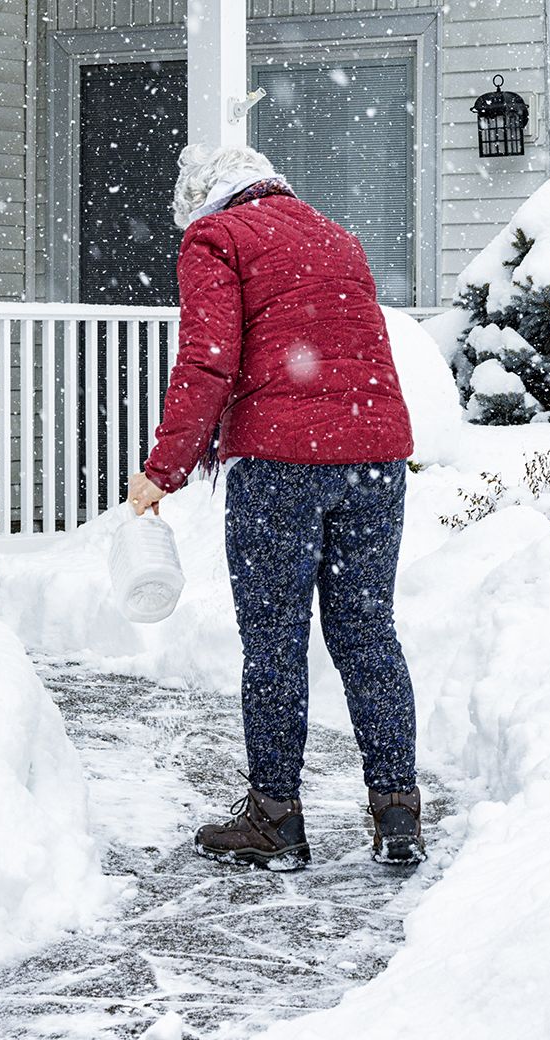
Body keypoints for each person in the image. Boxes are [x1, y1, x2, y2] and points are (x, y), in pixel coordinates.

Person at [127, 144, 424, 868]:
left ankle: (275, 818)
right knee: (366, 632)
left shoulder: (215, 238)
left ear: (201, 201)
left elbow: (208, 360)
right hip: (374, 459)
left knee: (274, 641)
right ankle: (397, 811)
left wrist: (162, 470)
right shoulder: (336, 235)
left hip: (282, 466)